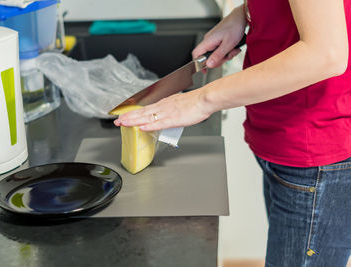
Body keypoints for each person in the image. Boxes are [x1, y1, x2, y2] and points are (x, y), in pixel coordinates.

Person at [114, 0, 351, 266]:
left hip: (317, 152)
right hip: (284, 137)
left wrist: (201, 100)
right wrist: (245, 14)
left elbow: (325, 53)